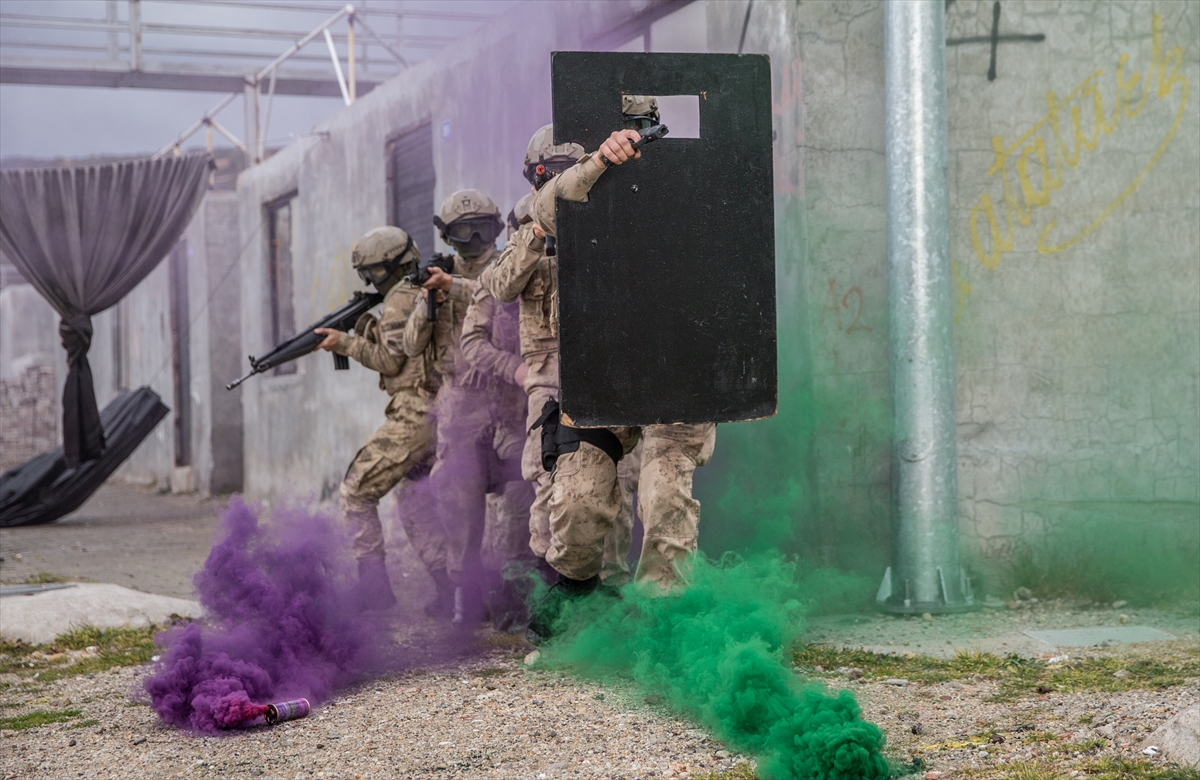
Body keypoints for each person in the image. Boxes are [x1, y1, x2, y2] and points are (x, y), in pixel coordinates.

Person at [500, 99, 717, 638]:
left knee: (663, 491)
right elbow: (536, 230)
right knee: (571, 496)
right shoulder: (574, 194)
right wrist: (598, 164)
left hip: (671, 368)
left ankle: (662, 623)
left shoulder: (685, 190)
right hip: (592, 378)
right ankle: (575, 587)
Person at [314, 226, 454, 614]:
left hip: (417, 412)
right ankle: (453, 590)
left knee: (356, 490)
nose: (372, 281)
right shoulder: (417, 292)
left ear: (391, 267)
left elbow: (390, 360)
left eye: (374, 273)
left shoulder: (398, 300)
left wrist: (344, 343)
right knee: (414, 497)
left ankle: (374, 590)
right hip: (444, 408)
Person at [402, 189, 507, 623]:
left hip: (507, 392)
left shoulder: (507, 263)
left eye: (481, 226)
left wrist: (456, 289)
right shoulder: (439, 276)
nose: (474, 237)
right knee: (457, 497)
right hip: (460, 401)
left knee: (524, 493)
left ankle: (520, 592)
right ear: (448, 234)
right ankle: (467, 594)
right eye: (463, 230)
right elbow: (411, 345)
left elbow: (507, 303)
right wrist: (431, 302)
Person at [460, 262, 537, 629]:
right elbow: (472, 344)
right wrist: (514, 368)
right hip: (512, 418)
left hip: (561, 412)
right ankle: (513, 602)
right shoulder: (496, 279)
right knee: (517, 498)